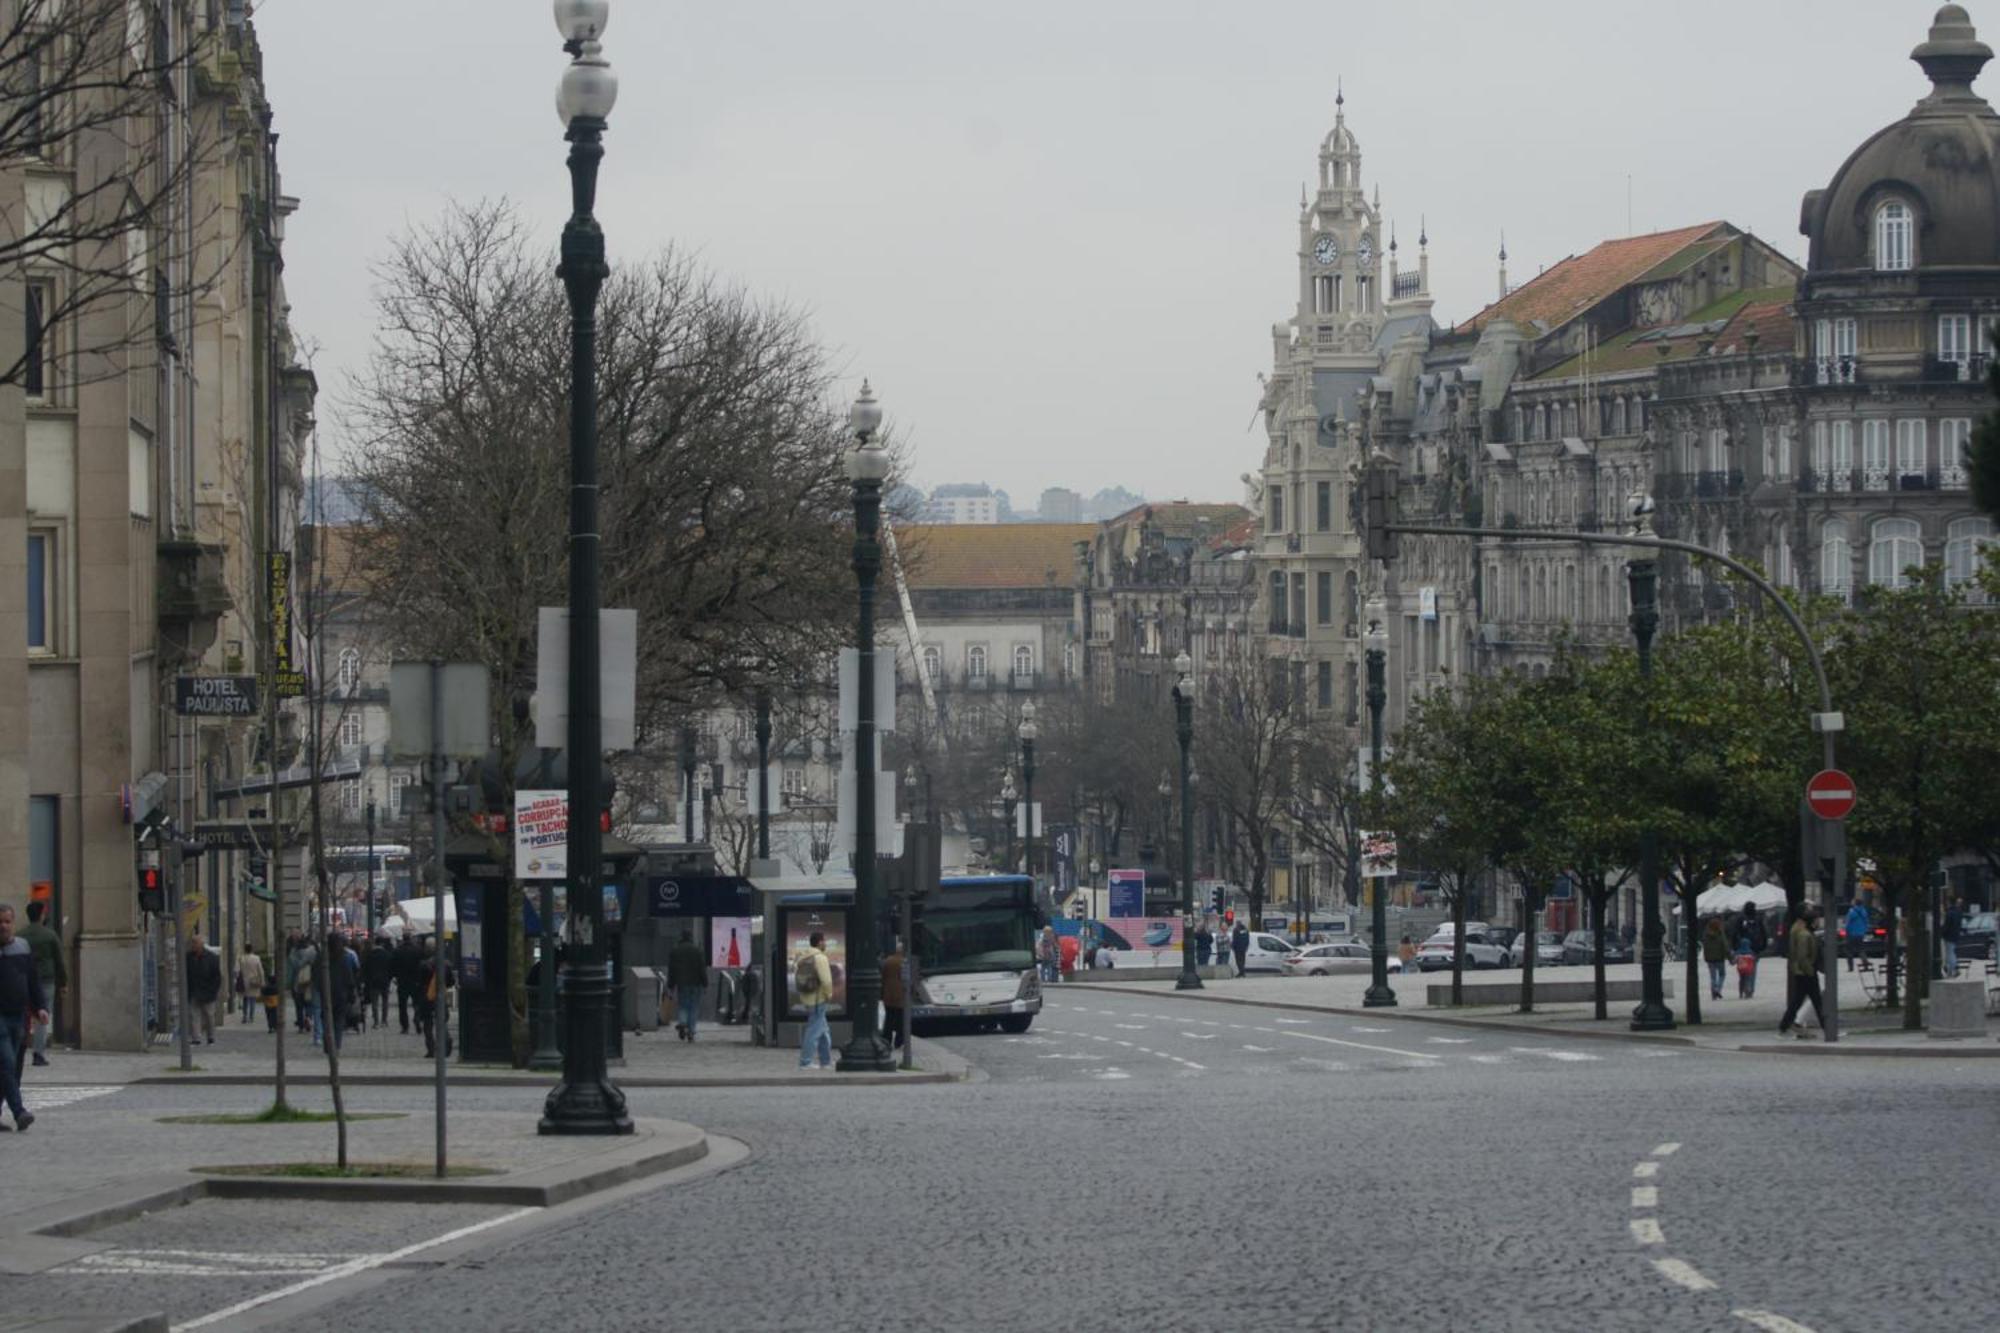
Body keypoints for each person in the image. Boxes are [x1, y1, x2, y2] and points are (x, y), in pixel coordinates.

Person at [1, 902, 51, 1131]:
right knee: (7, 1063)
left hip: (19, 1015)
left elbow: (33, 980)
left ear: (13, 923)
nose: (3, 926)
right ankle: (19, 1112)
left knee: (15, 1067)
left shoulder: (22, 947)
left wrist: (40, 1007)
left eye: (7, 922)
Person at [19, 901, 63, 1067]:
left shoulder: (20, 935)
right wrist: (63, 982)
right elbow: (59, 960)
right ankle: (38, 1053)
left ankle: (20, 1048)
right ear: (42, 914)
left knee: (23, 1015)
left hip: (23, 978)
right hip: (45, 979)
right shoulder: (49, 935)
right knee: (42, 1016)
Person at [1778, 905, 1826, 1040]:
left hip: (1802, 971)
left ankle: (1784, 1025)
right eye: (1817, 920)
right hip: (1806, 972)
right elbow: (1802, 955)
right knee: (1816, 1000)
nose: (1818, 923)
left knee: (1799, 1001)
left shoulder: (1799, 929)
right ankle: (1827, 1028)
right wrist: (1810, 970)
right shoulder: (1803, 933)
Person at [794, 931, 833, 1070]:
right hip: (818, 999)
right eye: (824, 941)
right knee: (813, 1031)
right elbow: (826, 980)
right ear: (820, 942)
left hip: (807, 997)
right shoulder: (820, 958)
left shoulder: (803, 957)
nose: (826, 943)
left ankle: (826, 1061)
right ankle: (805, 1062)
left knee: (823, 1031)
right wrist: (829, 994)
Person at [667, 929, 707, 1042]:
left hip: (682, 984)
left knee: (683, 1005)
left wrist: (671, 985)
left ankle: (683, 1022)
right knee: (694, 1007)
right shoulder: (697, 951)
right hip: (696, 983)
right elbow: (702, 969)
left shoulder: (675, 951)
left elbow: (672, 970)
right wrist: (705, 983)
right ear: (691, 938)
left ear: (681, 938)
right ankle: (691, 1031)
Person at [186, 933, 222, 1044]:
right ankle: (196, 1038)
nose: (193, 945)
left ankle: (211, 1036)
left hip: (208, 992)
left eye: (195, 943)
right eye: (192, 942)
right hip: (194, 991)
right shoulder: (188, 957)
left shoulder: (212, 958)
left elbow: (217, 977)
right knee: (193, 1015)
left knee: (209, 1016)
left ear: (201, 944)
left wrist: (213, 990)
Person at [393, 932, 423, 1034]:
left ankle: (405, 1026)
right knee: (417, 1003)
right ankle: (418, 1019)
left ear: (403, 939)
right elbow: (421, 965)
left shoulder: (397, 951)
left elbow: (394, 966)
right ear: (410, 938)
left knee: (403, 1006)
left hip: (402, 982)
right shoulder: (418, 950)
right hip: (415, 981)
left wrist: (395, 977)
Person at [881, 938, 907, 1050]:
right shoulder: (904, 961)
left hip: (888, 995)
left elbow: (883, 977)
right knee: (901, 1020)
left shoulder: (888, 961)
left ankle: (887, 1040)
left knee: (889, 1019)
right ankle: (899, 1041)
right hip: (901, 995)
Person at [363, 935, 395, 1029]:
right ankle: (384, 1021)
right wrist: (390, 978)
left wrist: (366, 980)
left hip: (373, 981)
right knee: (385, 1001)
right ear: (382, 944)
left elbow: (366, 969)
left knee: (374, 1003)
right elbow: (391, 968)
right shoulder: (387, 954)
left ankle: (376, 1022)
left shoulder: (370, 955)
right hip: (385, 981)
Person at [1699, 917, 1729, 1001]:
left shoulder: (1706, 935)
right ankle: (1718, 989)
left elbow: (1705, 946)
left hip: (1710, 959)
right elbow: (1725, 946)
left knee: (1712, 977)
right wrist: (1730, 957)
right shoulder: (1720, 933)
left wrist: (1706, 957)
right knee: (1722, 974)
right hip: (1720, 958)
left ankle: (1713, 993)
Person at [236, 944, 264, 1027]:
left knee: (245, 999)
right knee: (252, 999)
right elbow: (260, 971)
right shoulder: (256, 958)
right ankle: (251, 1016)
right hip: (253, 981)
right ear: (252, 949)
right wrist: (262, 980)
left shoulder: (241, 958)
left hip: (244, 981)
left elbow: (237, 970)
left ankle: (245, 1016)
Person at [1843, 900, 1871, 971]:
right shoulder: (1864, 911)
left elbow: (1848, 922)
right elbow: (1866, 922)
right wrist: (1864, 930)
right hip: (1860, 934)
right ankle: (1865, 964)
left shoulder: (1851, 911)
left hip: (1851, 933)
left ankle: (1850, 967)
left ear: (1855, 903)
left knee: (1849, 951)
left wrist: (1846, 930)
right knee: (1861, 949)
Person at [1941, 899, 1965, 977]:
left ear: (1949, 903)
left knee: (1949, 953)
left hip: (1948, 936)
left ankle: (1954, 968)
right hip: (1955, 935)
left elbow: (1947, 926)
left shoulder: (1949, 913)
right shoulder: (1959, 912)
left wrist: (1942, 933)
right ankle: (1950, 970)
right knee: (1951, 952)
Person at [1733, 929, 1758, 999]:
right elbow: (1754, 959)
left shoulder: (1738, 952)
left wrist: (1733, 962)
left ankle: (1740, 992)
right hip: (1748, 969)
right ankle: (1747, 991)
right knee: (1748, 979)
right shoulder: (1750, 952)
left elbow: (1735, 960)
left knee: (1741, 980)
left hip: (1740, 968)